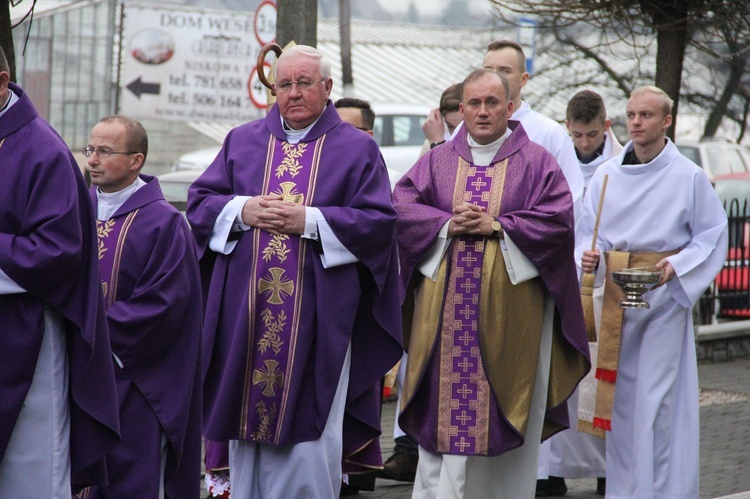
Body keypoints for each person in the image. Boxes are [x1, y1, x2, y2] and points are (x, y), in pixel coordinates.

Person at [187, 45, 403, 498]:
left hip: (319, 320)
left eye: (305, 83)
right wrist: (242, 209)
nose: (294, 93)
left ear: (327, 88)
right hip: (244, 320)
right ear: (273, 90)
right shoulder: (242, 141)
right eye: (284, 84)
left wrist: (311, 221)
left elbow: (379, 223)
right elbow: (200, 204)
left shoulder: (357, 149)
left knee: (308, 446)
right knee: (246, 443)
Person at [393, 68, 590, 499]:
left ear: (510, 107)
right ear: (461, 109)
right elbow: (402, 208)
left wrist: (498, 226)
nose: (483, 112)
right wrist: (445, 224)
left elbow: (558, 223)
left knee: (503, 450)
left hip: (510, 326)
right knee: (441, 441)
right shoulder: (437, 159)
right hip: (442, 326)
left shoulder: (537, 161)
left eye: (492, 103)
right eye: (475, 104)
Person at [576, 86, 728, 498]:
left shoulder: (688, 176)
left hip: (662, 302)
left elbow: (712, 236)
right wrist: (588, 258)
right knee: (622, 407)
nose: (637, 122)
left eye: (646, 115)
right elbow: (586, 235)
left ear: (667, 121)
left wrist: (675, 266)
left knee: (657, 405)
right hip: (615, 302)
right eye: (631, 114)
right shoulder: (607, 175)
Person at [0, 46, 119, 496]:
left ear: (2, 81)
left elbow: (57, 251)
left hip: (24, 331)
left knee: (27, 472)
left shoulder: (41, 149)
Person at [75, 116, 203, 498]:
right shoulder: (74, 213)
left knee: (129, 478)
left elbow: (165, 304)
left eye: (105, 151)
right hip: (77, 370)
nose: (93, 160)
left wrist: (90, 333)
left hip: (135, 378)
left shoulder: (164, 223)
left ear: (136, 160)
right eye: (90, 150)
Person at [538, 90, 623, 497]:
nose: (584, 144)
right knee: (566, 372)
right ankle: (555, 469)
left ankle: (610, 470)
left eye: (591, 135)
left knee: (606, 375)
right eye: (577, 136)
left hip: (609, 283)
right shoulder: (557, 157)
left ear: (605, 127)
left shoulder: (624, 165)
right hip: (567, 279)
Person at [420, 82, 463, 155]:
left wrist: (437, 145)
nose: (457, 133)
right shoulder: (433, 141)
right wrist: (436, 143)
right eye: (450, 126)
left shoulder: (482, 144)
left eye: (462, 126)